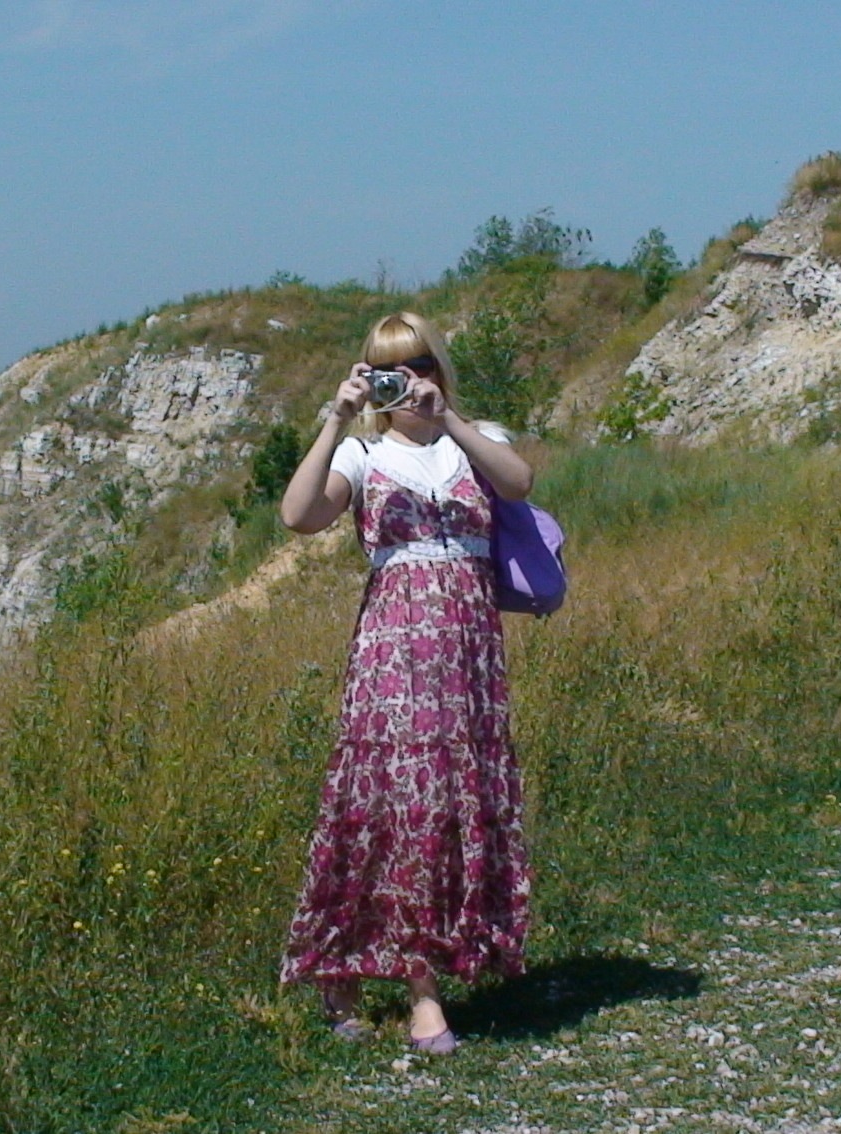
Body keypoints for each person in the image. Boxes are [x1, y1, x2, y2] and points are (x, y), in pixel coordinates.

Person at [277, 311, 533, 1054]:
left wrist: (447, 417)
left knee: (454, 807)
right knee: (395, 808)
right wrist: (337, 416)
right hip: (395, 657)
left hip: (469, 657)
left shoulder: (474, 438)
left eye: (421, 363)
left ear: (439, 366)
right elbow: (298, 516)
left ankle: (361, 970)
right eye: (392, 369)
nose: (410, 380)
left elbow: (518, 484)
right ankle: (419, 992)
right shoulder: (362, 453)